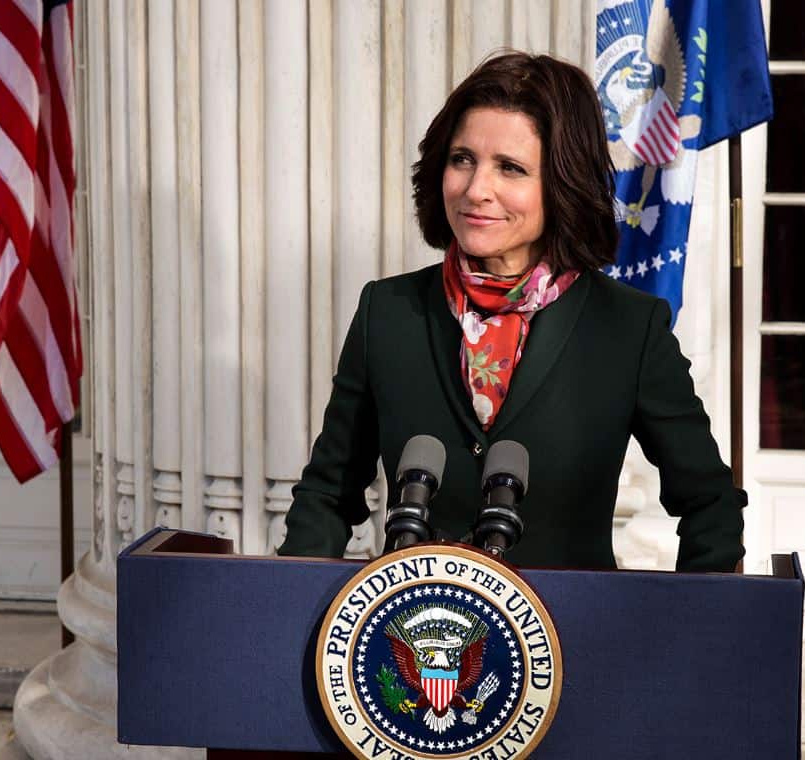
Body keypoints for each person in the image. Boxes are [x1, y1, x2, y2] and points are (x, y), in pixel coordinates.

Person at [277, 51, 745, 572]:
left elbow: (711, 507)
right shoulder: (385, 313)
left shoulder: (630, 329)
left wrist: (693, 636)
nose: (476, 190)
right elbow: (325, 495)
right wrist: (290, 618)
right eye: (462, 159)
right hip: (408, 643)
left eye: (511, 168)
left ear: (563, 184)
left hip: (573, 642)